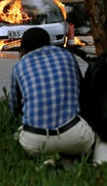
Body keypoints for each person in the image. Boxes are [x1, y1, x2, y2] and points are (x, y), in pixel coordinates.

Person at [9, 27, 95, 156]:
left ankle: (50, 158)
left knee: (20, 133)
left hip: (36, 143)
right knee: (100, 133)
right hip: (74, 137)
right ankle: (98, 163)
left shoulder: (20, 66)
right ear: (49, 43)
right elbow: (83, 95)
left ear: (23, 50)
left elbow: (15, 108)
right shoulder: (67, 56)